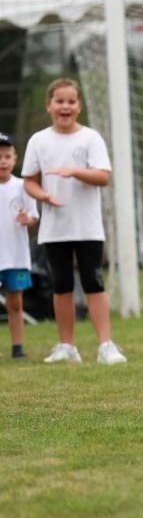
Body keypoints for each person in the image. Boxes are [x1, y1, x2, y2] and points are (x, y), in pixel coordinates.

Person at [21, 78, 127, 365]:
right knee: (62, 286)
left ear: (78, 106)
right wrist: (42, 194)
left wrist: (75, 171)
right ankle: (66, 346)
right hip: (54, 229)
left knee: (94, 283)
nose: (65, 106)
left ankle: (106, 345)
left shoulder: (90, 138)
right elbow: (29, 180)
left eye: (70, 101)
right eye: (59, 101)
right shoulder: (38, 140)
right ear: (49, 106)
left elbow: (103, 176)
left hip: (87, 227)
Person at [0, 132, 38, 359]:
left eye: (6, 156)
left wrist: (28, 220)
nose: (2, 161)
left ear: (15, 159)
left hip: (15, 256)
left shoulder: (24, 187)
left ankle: (17, 348)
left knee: (15, 303)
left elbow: (33, 217)